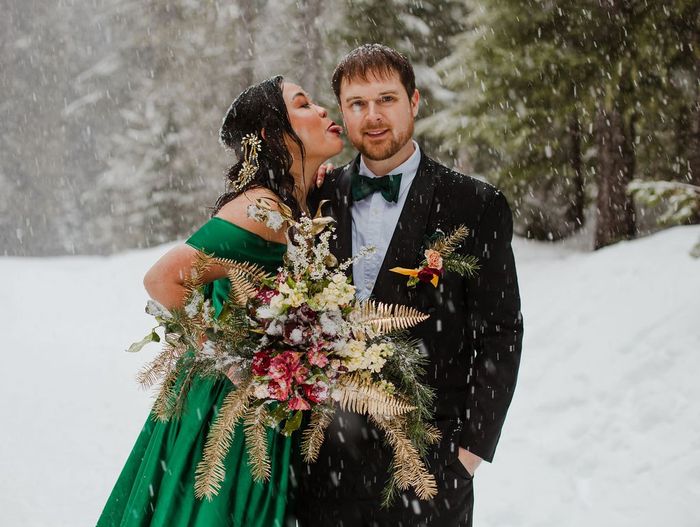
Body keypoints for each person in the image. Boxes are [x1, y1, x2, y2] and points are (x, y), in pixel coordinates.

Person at [97, 75, 343, 527]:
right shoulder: (260, 208)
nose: (324, 111)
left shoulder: (295, 202)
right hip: (227, 415)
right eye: (304, 104)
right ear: (273, 135)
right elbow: (164, 279)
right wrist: (233, 361)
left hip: (262, 410)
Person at [296, 44, 524, 526]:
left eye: (387, 99)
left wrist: (470, 452)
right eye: (357, 104)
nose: (373, 116)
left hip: (431, 465)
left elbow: (501, 332)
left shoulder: (475, 205)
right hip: (325, 466)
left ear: (414, 102)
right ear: (342, 112)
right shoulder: (315, 197)